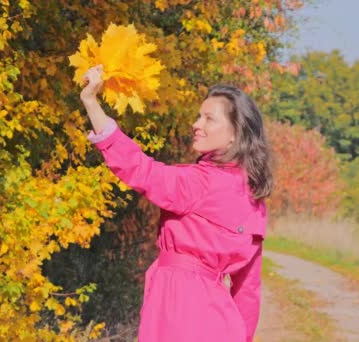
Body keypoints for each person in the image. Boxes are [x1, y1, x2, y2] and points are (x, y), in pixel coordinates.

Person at [80, 65, 272, 342]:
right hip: (218, 320)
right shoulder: (254, 199)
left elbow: (139, 169)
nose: (197, 124)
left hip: (180, 308)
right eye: (198, 116)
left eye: (209, 119)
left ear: (235, 134)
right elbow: (248, 290)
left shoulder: (201, 183)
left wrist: (91, 103)